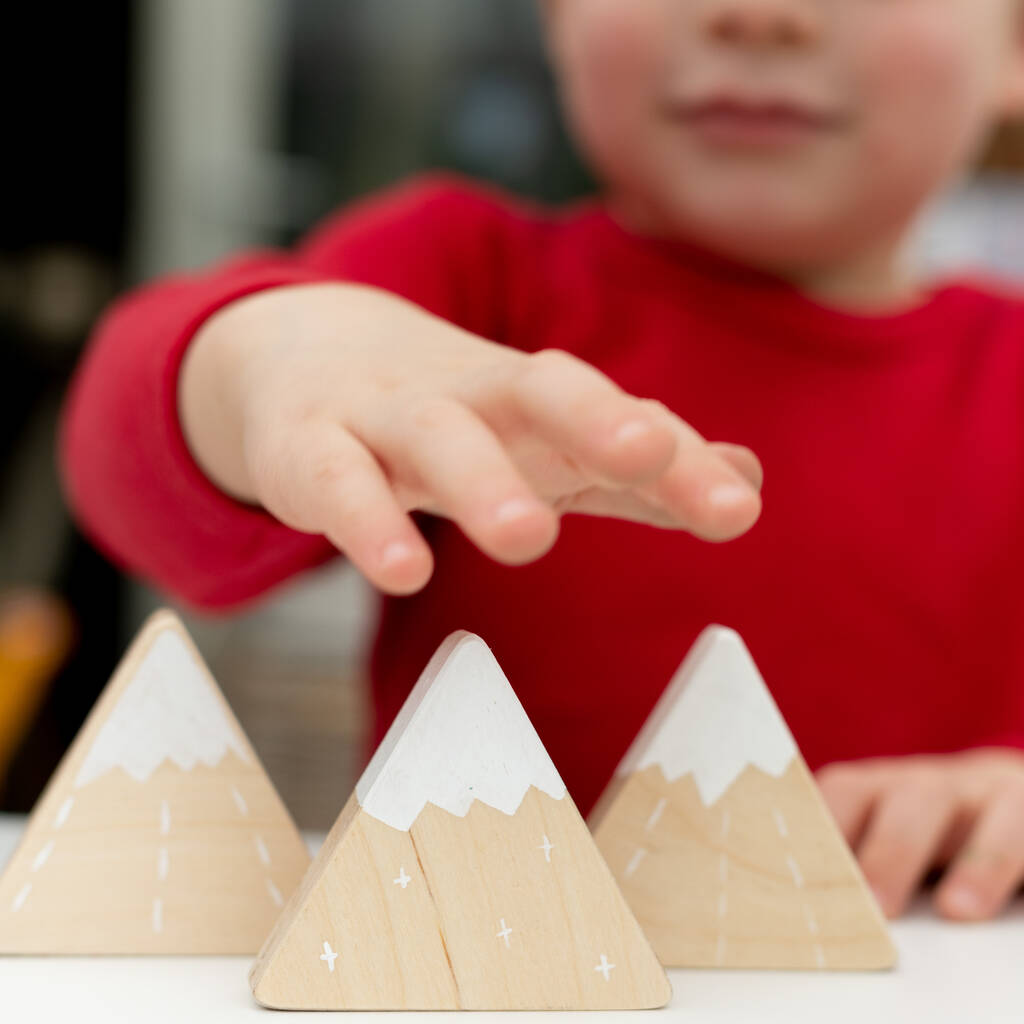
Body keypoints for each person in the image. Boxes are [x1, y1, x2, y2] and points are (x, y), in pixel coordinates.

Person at [62, 0, 1024, 922]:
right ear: (558, 14)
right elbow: (124, 472)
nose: (758, 10)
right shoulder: (461, 285)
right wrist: (257, 361)